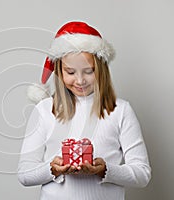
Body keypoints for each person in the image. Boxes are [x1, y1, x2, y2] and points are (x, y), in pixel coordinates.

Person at [17, 21, 151, 200]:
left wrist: (105, 170)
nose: (80, 81)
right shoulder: (44, 110)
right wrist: (52, 168)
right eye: (71, 72)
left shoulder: (120, 110)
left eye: (89, 71)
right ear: (59, 71)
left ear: (101, 70)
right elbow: (24, 174)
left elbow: (142, 174)